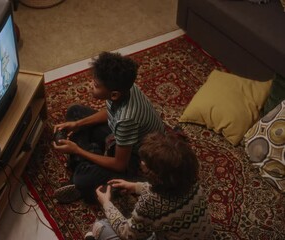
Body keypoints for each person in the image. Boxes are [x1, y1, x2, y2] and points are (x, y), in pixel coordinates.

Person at [52, 51, 164, 204]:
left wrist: (77, 150)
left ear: (114, 95)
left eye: (96, 85)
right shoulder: (125, 87)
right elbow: (111, 113)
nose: (91, 85)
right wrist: (77, 124)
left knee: (82, 179)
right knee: (75, 112)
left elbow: (119, 164)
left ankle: (83, 175)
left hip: (136, 156)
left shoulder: (127, 119)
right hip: (122, 137)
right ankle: (90, 156)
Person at [84, 131, 213, 240]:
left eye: (145, 162)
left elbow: (129, 234)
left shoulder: (149, 201)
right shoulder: (193, 184)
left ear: (156, 176)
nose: (141, 162)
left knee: (100, 226)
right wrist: (135, 186)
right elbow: (166, 190)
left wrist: (106, 203)